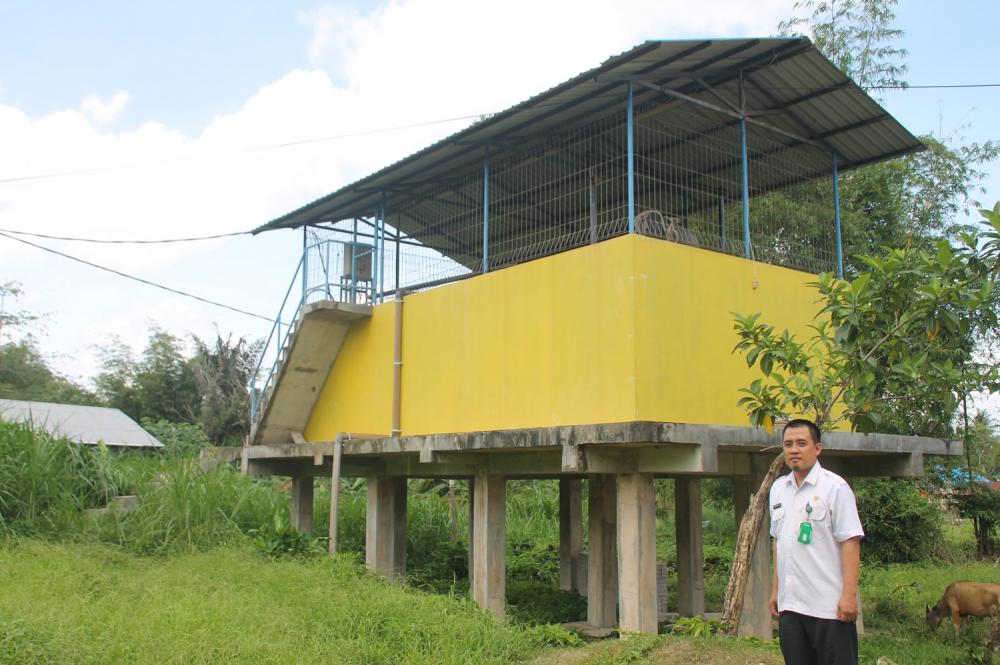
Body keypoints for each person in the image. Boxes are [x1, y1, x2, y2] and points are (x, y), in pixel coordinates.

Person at [768, 418, 864, 665]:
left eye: (801, 443)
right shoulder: (778, 489)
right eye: (788, 444)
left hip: (829, 608)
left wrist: (849, 596)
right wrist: (777, 590)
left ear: (817, 448)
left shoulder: (835, 488)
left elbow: (850, 542)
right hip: (791, 607)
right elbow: (778, 542)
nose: (794, 450)